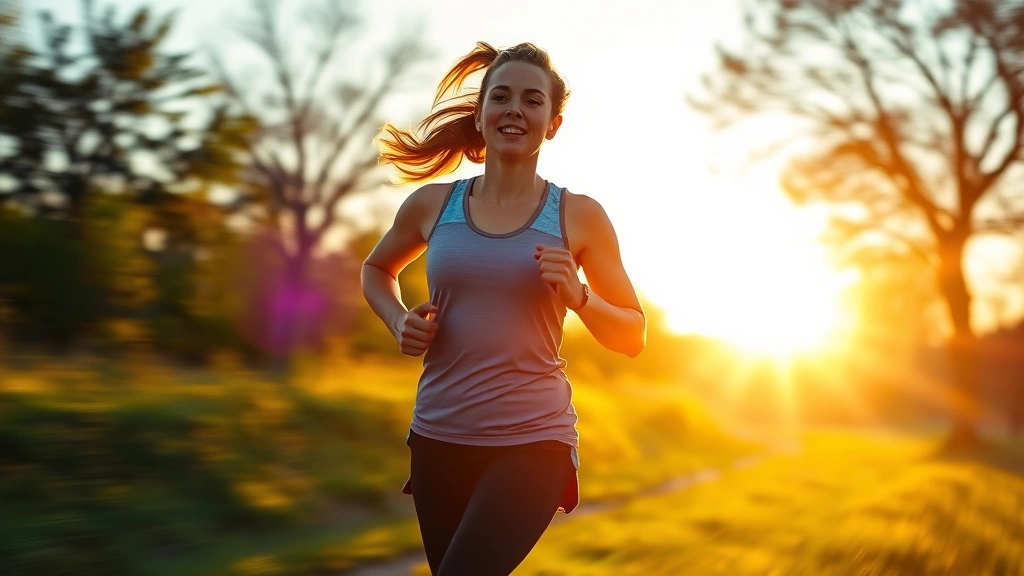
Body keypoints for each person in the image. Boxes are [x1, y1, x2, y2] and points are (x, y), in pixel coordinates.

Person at [361, 41, 647, 576]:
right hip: (438, 435)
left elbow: (632, 335)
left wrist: (580, 297)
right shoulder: (431, 205)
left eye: (532, 100)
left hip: (533, 440)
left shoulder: (580, 216)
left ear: (553, 124)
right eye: (502, 96)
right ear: (482, 112)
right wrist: (398, 319)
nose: (515, 108)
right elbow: (376, 271)